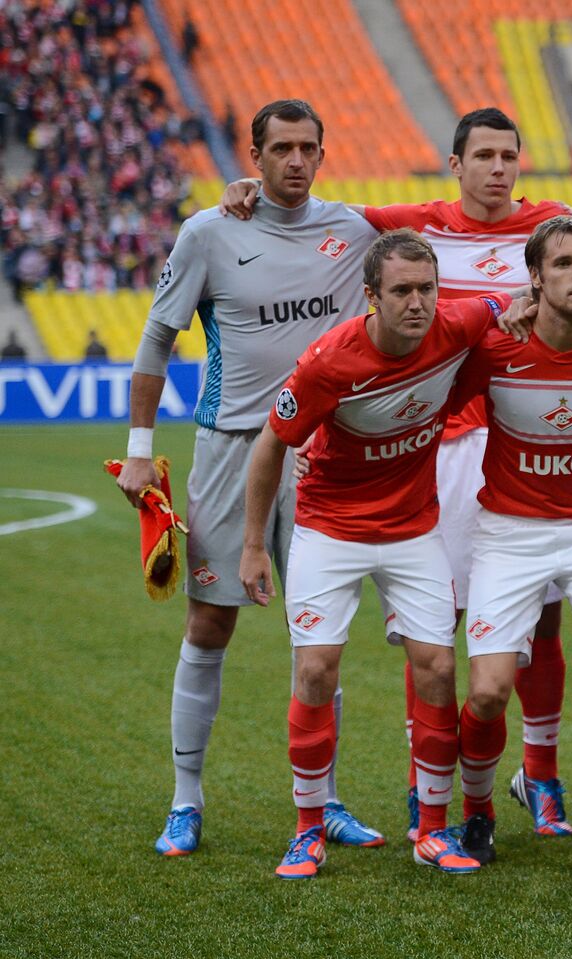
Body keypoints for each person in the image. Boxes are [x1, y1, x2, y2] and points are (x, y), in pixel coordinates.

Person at [221, 107, 572, 840]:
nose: (498, 168)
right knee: (442, 640)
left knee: (537, 618)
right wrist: (248, 190)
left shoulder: (551, 221)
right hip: (427, 447)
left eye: (510, 154)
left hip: (498, 439)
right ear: (456, 164)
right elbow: (315, 206)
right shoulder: (413, 221)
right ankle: (432, 792)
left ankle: (537, 775)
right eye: (483, 155)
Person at [118, 100, 383, 857]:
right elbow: (158, 337)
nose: (297, 161)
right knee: (209, 621)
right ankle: (185, 799)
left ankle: (324, 797)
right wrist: (141, 448)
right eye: (282, 149)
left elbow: (457, 233)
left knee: (320, 638)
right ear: (255, 156)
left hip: (325, 455)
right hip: (231, 449)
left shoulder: (355, 231)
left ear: (323, 153)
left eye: (309, 148)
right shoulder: (208, 231)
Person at [239, 229, 503, 879]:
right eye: (402, 291)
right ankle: (307, 829)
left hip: (413, 529)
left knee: (439, 667)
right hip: (330, 528)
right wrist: (251, 545)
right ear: (370, 297)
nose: (418, 303)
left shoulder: (457, 322)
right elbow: (271, 444)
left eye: (427, 289)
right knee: (317, 670)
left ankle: (433, 829)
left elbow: (521, 301)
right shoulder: (329, 361)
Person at [451, 216, 572, 876]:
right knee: (487, 691)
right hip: (509, 535)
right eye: (562, 263)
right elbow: (418, 391)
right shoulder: (495, 349)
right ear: (534, 279)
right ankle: (477, 813)